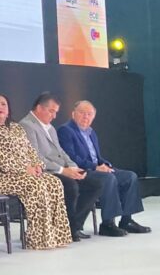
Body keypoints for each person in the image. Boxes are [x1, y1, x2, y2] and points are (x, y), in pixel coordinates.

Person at [0, 93, 71, 249]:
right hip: (0, 178)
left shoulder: (16, 127)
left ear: (8, 109)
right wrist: (26, 169)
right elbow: (0, 160)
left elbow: (31, 152)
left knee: (54, 182)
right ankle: (39, 238)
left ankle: (57, 236)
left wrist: (38, 166)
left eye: (3, 104)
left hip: (24, 174)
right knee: (36, 185)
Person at [57, 100, 151, 236]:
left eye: (89, 114)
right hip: (79, 171)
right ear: (73, 114)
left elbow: (97, 157)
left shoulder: (91, 132)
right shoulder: (65, 130)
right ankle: (108, 224)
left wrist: (105, 165)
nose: (86, 117)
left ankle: (127, 221)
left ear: (93, 116)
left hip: (96, 169)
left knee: (130, 176)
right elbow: (71, 157)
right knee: (108, 178)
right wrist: (95, 167)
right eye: (82, 113)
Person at [19, 93, 103, 241]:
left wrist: (73, 167)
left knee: (95, 184)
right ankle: (69, 228)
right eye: (51, 111)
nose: (54, 116)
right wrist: (63, 170)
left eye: (56, 112)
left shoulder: (50, 128)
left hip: (61, 169)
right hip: (42, 171)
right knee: (71, 185)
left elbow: (61, 152)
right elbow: (35, 157)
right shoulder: (27, 125)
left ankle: (73, 225)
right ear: (39, 108)